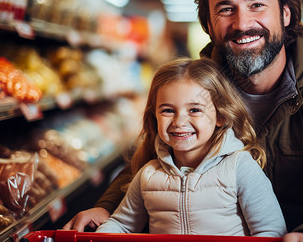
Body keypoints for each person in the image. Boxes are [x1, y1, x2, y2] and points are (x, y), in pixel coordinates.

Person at [64, 0, 303, 242]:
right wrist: (106, 207)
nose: (242, 23)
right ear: (210, 27)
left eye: (257, 4)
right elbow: (153, 159)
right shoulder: (196, 87)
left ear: (286, 14)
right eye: (226, 10)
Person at [96, 58, 287, 236]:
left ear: (221, 116)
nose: (179, 121)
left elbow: (270, 231)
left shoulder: (240, 167)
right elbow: (122, 225)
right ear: (154, 116)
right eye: (168, 110)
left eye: (194, 110)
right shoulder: (148, 175)